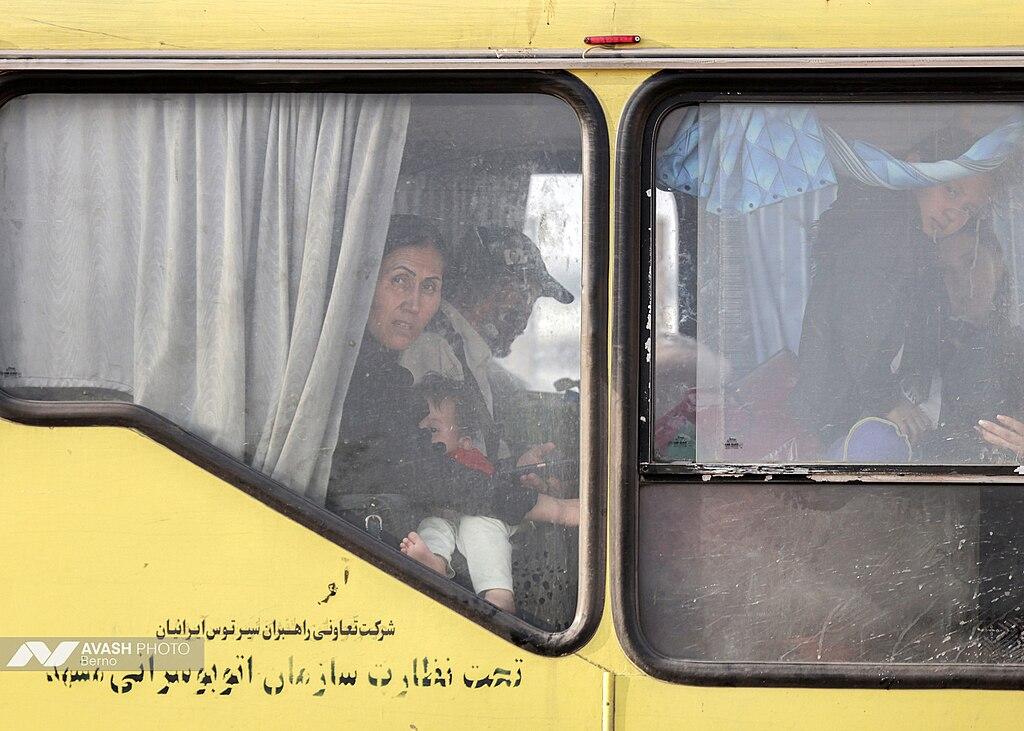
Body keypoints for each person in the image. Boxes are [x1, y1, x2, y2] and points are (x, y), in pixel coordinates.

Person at [325, 215, 579, 555]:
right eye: (521, 296)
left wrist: (512, 474)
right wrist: (552, 507)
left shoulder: (461, 356)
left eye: (429, 286)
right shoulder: (423, 351)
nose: (413, 304)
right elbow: (422, 467)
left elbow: (450, 455)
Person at [788, 128, 994, 456]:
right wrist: (889, 402)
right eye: (952, 191)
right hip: (838, 417)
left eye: (969, 209)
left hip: (845, 408)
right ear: (912, 169)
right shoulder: (882, 235)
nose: (956, 214)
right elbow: (859, 333)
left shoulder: (911, 241)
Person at [400, 225, 575, 464]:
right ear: (497, 288)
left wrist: (520, 470)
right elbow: (432, 465)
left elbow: (476, 453)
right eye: (525, 298)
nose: (524, 321)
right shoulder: (434, 349)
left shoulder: (470, 356)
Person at [400, 374, 533, 613]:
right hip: (448, 521)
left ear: (465, 441)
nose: (424, 432)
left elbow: (490, 494)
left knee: (478, 527)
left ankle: (499, 595)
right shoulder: (419, 464)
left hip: (483, 519)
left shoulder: (469, 460)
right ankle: (434, 563)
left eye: (433, 428)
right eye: (419, 426)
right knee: (432, 526)